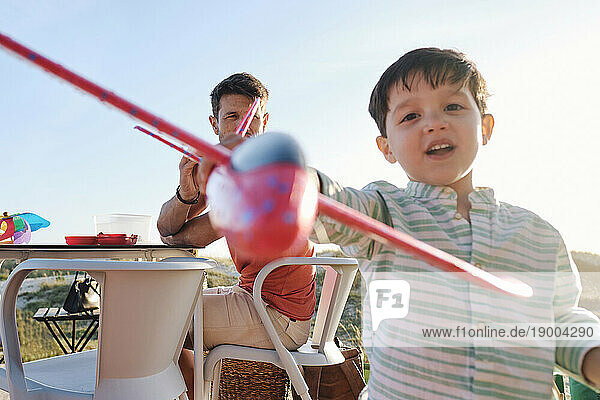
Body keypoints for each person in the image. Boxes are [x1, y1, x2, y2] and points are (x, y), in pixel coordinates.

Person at [309, 48, 600, 399]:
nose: (434, 123)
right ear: (386, 147)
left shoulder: (538, 235)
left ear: (485, 127)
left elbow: (560, 321)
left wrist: (590, 356)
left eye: (453, 107)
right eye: (410, 115)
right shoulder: (382, 213)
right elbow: (328, 205)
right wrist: (291, 182)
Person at [157, 73, 315, 399]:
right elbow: (168, 230)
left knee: (154, 322)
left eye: (252, 119)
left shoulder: (269, 172)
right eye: (233, 118)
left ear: (265, 121)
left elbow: (187, 237)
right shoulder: (226, 176)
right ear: (215, 125)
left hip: (277, 314)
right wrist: (187, 193)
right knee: (157, 307)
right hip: (252, 296)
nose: (245, 129)